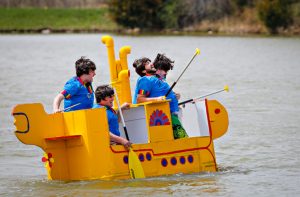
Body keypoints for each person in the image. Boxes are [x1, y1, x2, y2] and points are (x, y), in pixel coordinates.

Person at [132, 54, 188, 139]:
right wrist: (158, 99)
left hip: (172, 115)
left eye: (150, 62)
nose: (151, 64)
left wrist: (174, 95)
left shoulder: (157, 79)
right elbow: (139, 99)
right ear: (143, 71)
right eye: (147, 63)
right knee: (183, 139)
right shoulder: (144, 80)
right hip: (165, 116)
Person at [93, 85, 131, 149]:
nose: (113, 98)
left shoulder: (108, 109)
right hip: (106, 146)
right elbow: (103, 131)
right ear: (101, 98)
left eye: (113, 96)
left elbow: (116, 121)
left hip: (114, 144)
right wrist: (122, 140)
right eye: (110, 97)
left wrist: (120, 110)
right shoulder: (98, 111)